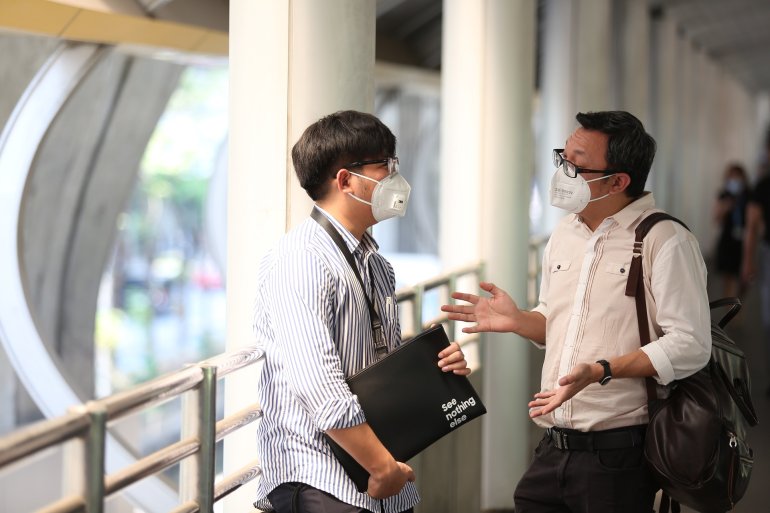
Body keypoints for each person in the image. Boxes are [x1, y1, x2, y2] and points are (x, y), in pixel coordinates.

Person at [442, 111, 712, 513]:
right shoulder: (565, 233)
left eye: (576, 165)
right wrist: (519, 321)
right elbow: (558, 321)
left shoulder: (665, 240)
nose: (562, 174)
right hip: (553, 447)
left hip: (619, 455)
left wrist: (602, 370)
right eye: (561, 158)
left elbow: (691, 344)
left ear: (618, 181)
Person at [252, 110, 470, 513]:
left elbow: (380, 365)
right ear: (346, 180)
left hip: (382, 478)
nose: (394, 176)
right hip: (322, 480)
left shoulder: (376, 263)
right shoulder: (300, 259)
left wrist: (435, 369)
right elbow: (317, 383)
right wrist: (381, 466)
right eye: (384, 165)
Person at [742, 137, 770, 397]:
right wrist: (749, 260)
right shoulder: (762, 186)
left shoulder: (763, 184)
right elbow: (751, 227)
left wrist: (748, 261)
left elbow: (752, 227)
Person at [713, 163, 750, 298]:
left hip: (744, 241)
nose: (734, 180)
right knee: (727, 278)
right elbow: (716, 219)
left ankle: (739, 304)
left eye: (737, 177)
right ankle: (730, 306)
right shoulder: (724, 195)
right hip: (727, 240)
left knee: (743, 280)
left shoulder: (748, 195)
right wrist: (726, 208)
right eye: (731, 177)